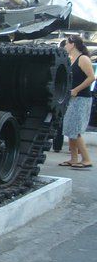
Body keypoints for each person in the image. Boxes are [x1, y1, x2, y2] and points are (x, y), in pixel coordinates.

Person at [58, 35, 95, 168]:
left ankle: (86, 159)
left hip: (81, 99)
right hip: (73, 99)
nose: (65, 46)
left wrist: (76, 90)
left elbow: (91, 78)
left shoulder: (83, 59)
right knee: (70, 128)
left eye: (67, 44)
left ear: (72, 44)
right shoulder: (72, 59)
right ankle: (74, 158)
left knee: (75, 129)